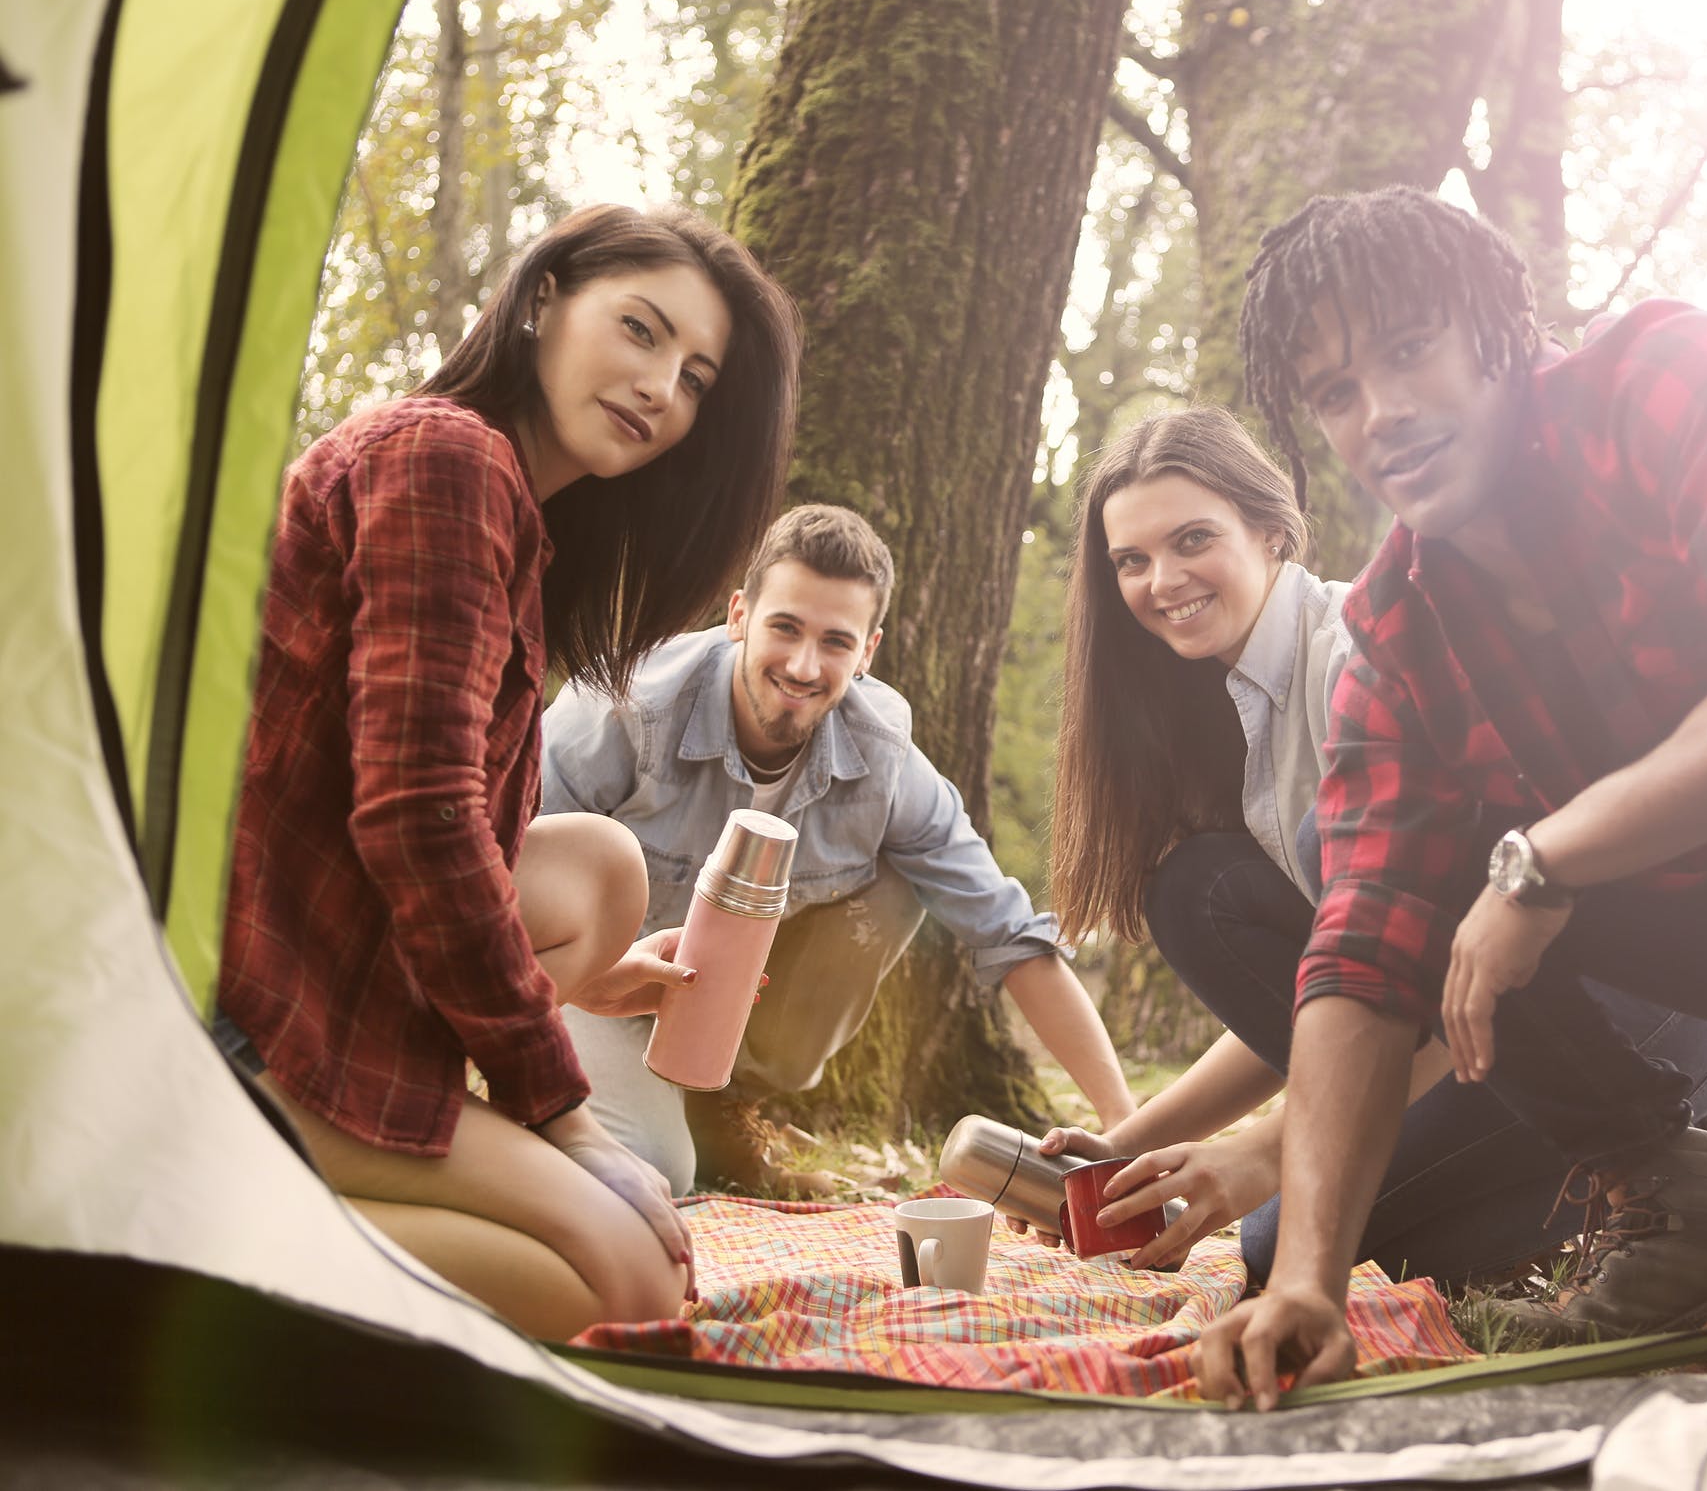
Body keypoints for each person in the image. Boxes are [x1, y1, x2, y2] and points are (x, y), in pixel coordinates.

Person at [1193, 187, 1707, 1408]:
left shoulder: (1668, 378)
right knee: (1351, 858)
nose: (1382, 414)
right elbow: (1364, 960)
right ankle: (1689, 1204)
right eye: (1335, 392)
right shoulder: (1397, 626)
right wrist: (1310, 1288)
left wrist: (1542, 861)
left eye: (1408, 349)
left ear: (1493, 326)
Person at [212, 205, 802, 1341]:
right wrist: (562, 1111)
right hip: (260, 1007)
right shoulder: (446, 461)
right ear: (544, 301)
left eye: (693, 378)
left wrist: (580, 988)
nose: (659, 387)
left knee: (599, 866)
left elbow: (441, 829)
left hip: (337, 955)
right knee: (626, 1282)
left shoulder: (511, 511)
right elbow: (419, 821)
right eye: (640, 329)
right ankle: (197, 1217)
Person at [1040, 404, 1707, 1290]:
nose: (1163, 579)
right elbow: (1343, 980)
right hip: (1485, 1017)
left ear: (1274, 530)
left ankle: (1698, 1158)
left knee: (1287, 1244)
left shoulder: (1360, 655)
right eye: (1132, 559)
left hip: (1624, 1003)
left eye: (1192, 539)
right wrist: (1131, 1145)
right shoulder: (1242, 710)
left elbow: (1446, 953)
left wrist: (1267, 1153)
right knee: (1198, 890)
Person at [541, 503, 1137, 1197]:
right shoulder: (621, 711)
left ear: (868, 652)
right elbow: (505, 887)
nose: (802, 665)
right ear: (739, 616)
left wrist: (1124, 1121)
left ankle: (724, 1102)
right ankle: (631, 1116)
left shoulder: (884, 758)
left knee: (905, 880)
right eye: (785, 628)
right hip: (593, 989)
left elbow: (1008, 933)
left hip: (740, 1018)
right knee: (646, 1176)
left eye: (834, 642)